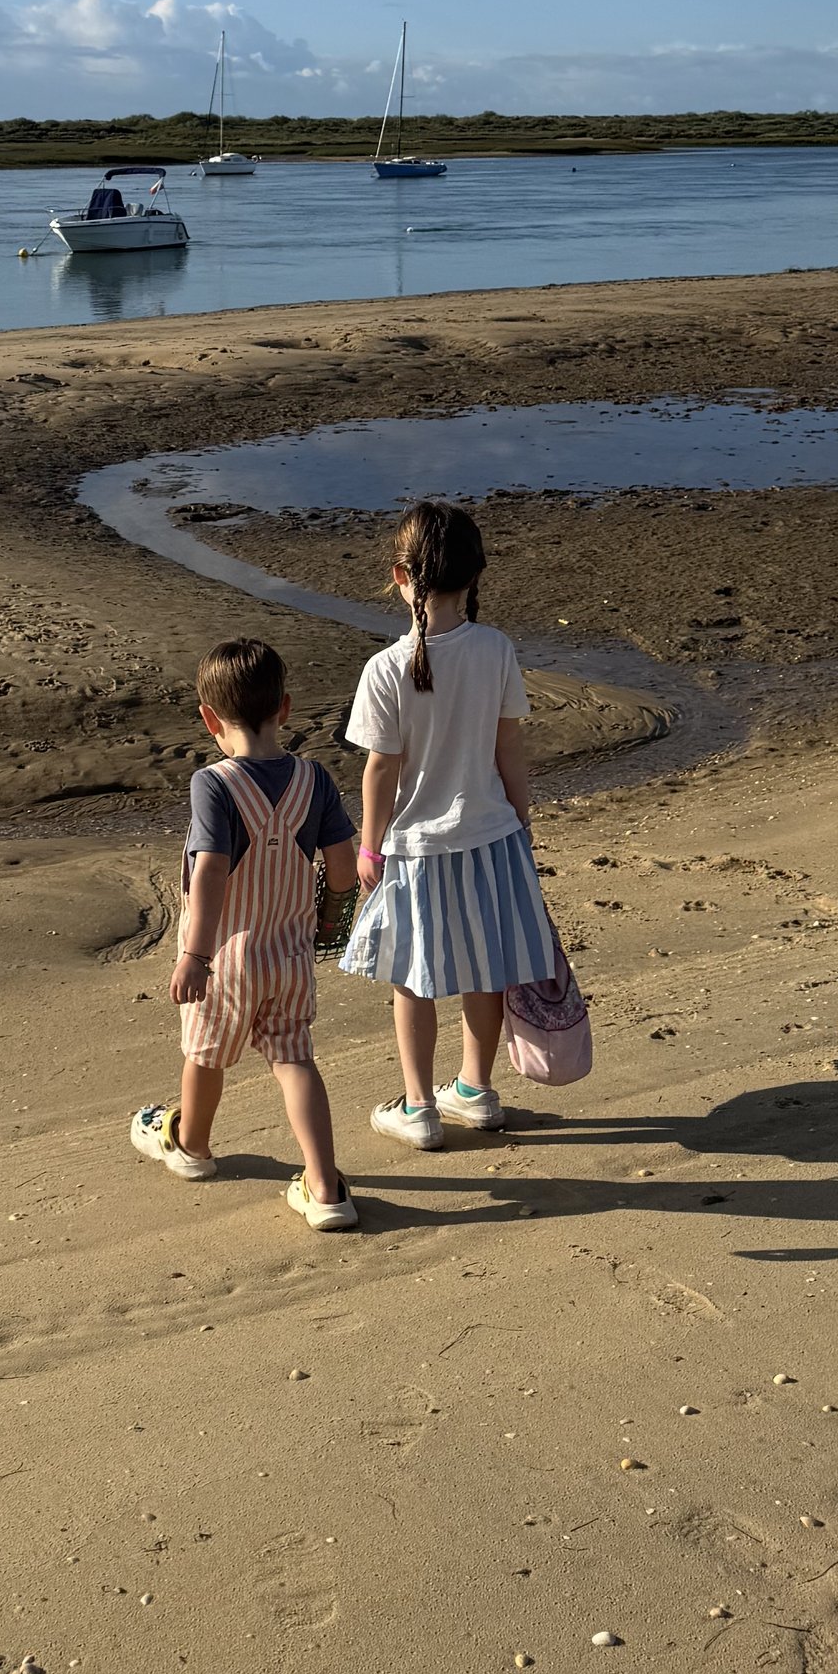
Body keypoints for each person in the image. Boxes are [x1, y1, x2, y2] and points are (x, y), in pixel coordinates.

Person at [341, 498, 559, 1148]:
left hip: (415, 846)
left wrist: (368, 847)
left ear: (400, 574)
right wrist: (521, 822)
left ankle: (419, 1104)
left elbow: (381, 770)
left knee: (415, 977)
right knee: (484, 969)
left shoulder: (386, 668)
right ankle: (476, 1089)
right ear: (476, 576)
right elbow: (509, 749)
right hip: (491, 835)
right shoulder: (495, 648)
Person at [129, 635, 360, 1231]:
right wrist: (331, 921)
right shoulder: (315, 779)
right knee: (295, 1060)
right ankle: (324, 1185)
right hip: (290, 954)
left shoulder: (214, 783)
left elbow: (208, 871)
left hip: (228, 957)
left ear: (209, 719)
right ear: (284, 708)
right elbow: (340, 864)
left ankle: (192, 1146)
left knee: (204, 1055)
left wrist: (195, 956)